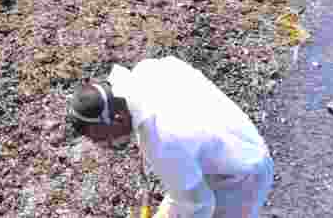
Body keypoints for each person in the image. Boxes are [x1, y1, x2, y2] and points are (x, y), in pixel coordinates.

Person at [67, 57, 274, 218]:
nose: (104, 145)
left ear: (117, 118)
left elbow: (199, 206)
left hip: (242, 177)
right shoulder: (147, 72)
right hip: (233, 142)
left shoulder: (162, 140)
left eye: (101, 137)